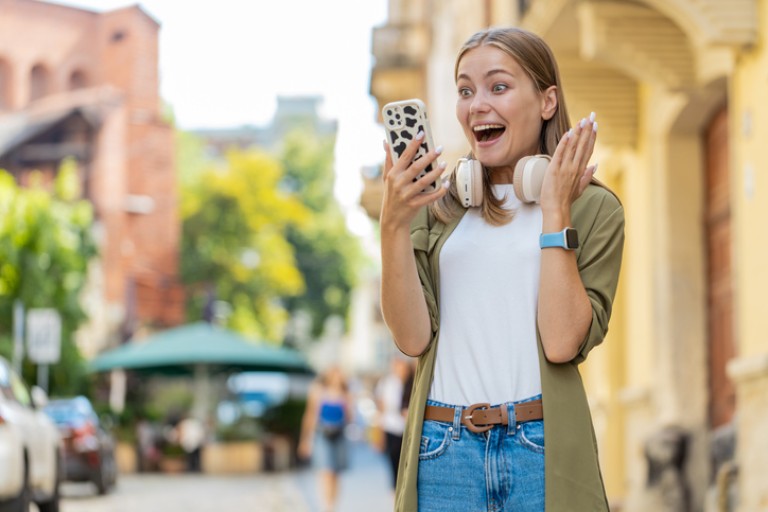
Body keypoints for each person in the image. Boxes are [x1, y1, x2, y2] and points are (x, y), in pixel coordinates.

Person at [379, 27, 625, 512]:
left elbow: (561, 342)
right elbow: (411, 339)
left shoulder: (595, 209)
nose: (476, 105)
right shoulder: (437, 209)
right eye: (465, 91)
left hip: (540, 449)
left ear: (547, 100)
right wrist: (392, 225)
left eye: (498, 86)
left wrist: (555, 213)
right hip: (443, 451)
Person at [298, 366, 353, 512]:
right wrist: (305, 439)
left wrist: (347, 402)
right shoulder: (318, 392)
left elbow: (350, 419)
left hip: (339, 434)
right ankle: (327, 507)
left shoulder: (345, 394)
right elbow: (310, 416)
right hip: (322, 434)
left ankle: (333, 506)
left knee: (336, 474)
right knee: (326, 472)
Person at [374, 356, 413, 489]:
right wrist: (378, 434)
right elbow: (380, 411)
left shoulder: (412, 382)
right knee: (394, 466)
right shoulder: (386, 383)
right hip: (391, 429)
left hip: (409, 430)